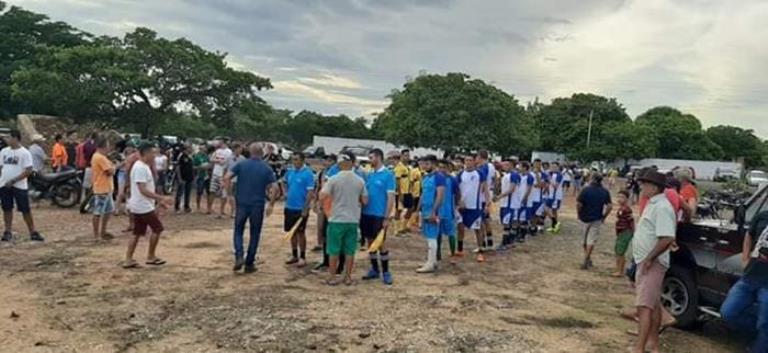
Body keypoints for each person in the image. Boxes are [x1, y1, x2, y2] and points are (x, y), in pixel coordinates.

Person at [631, 170, 676, 353]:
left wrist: (650, 259)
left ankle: (639, 348)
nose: (641, 187)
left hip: (652, 263)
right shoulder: (653, 204)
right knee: (653, 305)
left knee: (644, 307)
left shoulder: (662, 207)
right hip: (647, 260)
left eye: (644, 184)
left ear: (654, 187)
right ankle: (652, 343)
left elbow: (666, 238)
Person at [224, 143, 278, 273]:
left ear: (250, 152)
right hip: (257, 204)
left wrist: (230, 195)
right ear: (261, 153)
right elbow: (275, 187)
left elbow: (227, 177)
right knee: (255, 233)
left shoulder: (242, 164)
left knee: (238, 230)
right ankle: (249, 262)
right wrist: (271, 204)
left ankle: (239, 255)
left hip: (242, 202)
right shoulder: (266, 168)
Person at [720, 209, 768, 353]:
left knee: (765, 324)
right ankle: (761, 334)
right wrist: (745, 258)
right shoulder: (763, 215)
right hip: (750, 276)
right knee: (728, 313)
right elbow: (749, 234)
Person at [319, 152, 368, 286]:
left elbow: (322, 196)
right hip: (352, 220)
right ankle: (348, 277)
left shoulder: (333, 179)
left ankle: (332, 276)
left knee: (334, 249)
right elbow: (365, 200)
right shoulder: (360, 180)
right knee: (349, 250)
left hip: (336, 219)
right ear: (352, 163)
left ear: (340, 164)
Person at [123, 143, 172, 268]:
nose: (154, 156)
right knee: (157, 228)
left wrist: (157, 201)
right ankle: (150, 256)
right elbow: (143, 189)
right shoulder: (140, 168)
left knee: (137, 232)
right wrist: (161, 198)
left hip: (141, 204)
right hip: (142, 206)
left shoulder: (143, 166)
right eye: (153, 153)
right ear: (146, 153)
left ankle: (129, 258)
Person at [0, 130, 44, 242]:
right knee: (7, 208)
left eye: (9, 137)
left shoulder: (24, 153)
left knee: (25, 209)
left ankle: (32, 231)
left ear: (16, 138)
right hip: (4, 184)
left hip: (19, 185)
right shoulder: (4, 152)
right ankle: (7, 231)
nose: (7, 139)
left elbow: (28, 170)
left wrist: (14, 180)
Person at [360, 148, 396, 284]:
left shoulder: (388, 175)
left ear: (379, 157)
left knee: (381, 243)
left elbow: (390, 197)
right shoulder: (369, 175)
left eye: (371, 158)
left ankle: (386, 271)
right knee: (370, 242)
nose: (370, 161)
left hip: (379, 215)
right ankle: (374, 269)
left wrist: (386, 217)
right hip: (366, 214)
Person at [282, 152, 315, 267]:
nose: (294, 162)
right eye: (293, 160)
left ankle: (303, 256)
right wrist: (285, 192)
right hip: (289, 207)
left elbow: (310, 192)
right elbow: (283, 182)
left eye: (296, 159)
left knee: (301, 232)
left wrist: (305, 208)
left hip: (300, 208)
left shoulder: (308, 174)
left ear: (302, 160)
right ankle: (294, 255)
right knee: (291, 233)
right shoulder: (290, 171)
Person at [456, 155, 491, 263]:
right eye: (467, 160)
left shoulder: (479, 173)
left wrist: (487, 203)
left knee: (478, 229)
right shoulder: (460, 174)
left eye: (471, 160)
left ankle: (480, 251)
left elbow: (485, 188)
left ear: (474, 162)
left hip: (475, 206)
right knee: (460, 228)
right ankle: (460, 249)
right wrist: (458, 201)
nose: (469, 162)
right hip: (463, 206)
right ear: (464, 162)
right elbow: (456, 189)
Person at [414, 155, 445, 273]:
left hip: (433, 211)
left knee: (432, 237)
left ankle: (431, 263)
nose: (425, 166)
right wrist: (417, 210)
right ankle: (431, 260)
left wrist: (434, 211)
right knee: (428, 237)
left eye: (427, 164)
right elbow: (423, 194)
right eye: (424, 164)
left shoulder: (439, 177)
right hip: (425, 210)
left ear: (433, 164)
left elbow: (440, 195)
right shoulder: (426, 177)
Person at [576, 173, 612, 270]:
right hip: (597, 218)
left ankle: (587, 258)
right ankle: (587, 258)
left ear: (592, 179)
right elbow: (609, 206)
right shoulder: (604, 191)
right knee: (591, 240)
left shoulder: (586, 190)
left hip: (585, 218)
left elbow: (579, 204)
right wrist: (604, 216)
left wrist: (578, 214)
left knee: (584, 241)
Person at [90, 136, 115, 240]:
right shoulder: (100, 157)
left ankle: (102, 232)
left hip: (106, 188)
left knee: (108, 210)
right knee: (98, 212)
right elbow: (110, 171)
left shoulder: (99, 157)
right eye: (108, 145)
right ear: (103, 146)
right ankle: (97, 235)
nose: (109, 148)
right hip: (102, 188)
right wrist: (114, 167)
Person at [436, 159, 460, 261]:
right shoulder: (434, 179)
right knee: (437, 233)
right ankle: (437, 254)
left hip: (448, 210)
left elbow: (457, 193)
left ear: (448, 168)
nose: (441, 170)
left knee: (451, 233)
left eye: (444, 168)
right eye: (440, 167)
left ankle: (453, 253)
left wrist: (456, 205)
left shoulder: (452, 179)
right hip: (437, 210)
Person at [493, 159, 519, 251]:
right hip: (505, 203)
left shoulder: (514, 175)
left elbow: (511, 189)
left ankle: (504, 243)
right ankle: (510, 242)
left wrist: (499, 196)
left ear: (511, 165)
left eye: (505, 165)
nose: (503, 166)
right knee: (509, 223)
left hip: (510, 203)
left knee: (507, 224)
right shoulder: (506, 175)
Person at [475, 150, 496, 249]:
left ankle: (482, 243)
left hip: (483, 196)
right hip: (489, 193)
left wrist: (479, 192)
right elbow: (495, 179)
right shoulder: (492, 166)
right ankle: (490, 242)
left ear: (480, 157)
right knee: (486, 219)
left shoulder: (484, 167)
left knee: (482, 220)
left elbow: (483, 182)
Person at [208, 140, 233, 217]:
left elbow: (228, 161)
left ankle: (222, 210)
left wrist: (222, 162)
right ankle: (209, 208)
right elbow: (211, 159)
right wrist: (217, 160)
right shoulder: (217, 151)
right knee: (212, 191)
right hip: (215, 173)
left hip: (223, 174)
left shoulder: (229, 152)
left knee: (223, 193)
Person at [614, 190, 634, 277]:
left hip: (625, 231)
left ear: (627, 198)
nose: (619, 199)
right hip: (621, 231)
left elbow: (631, 221)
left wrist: (632, 231)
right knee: (618, 250)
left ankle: (620, 271)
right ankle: (619, 269)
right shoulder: (622, 208)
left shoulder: (626, 209)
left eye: (622, 197)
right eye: (618, 197)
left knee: (620, 251)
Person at [394, 149, 412, 236]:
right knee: (398, 210)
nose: (407, 157)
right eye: (405, 155)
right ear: (401, 156)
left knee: (410, 208)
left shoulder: (408, 167)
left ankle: (403, 227)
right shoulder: (399, 167)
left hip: (408, 191)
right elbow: (397, 180)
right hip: (401, 192)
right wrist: (400, 193)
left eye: (408, 155)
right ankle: (396, 230)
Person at [174, 144, 194, 214]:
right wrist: (179, 178)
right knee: (180, 193)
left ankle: (186, 207)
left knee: (187, 193)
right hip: (183, 177)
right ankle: (177, 207)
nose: (191, 149)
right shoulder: (181, 156)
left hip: (189, 178)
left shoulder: (190, 157)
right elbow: (178, 167)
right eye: (190, 148)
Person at [545, 162, 564, 234]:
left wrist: (550, 180)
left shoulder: (559, 175)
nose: (553, 168)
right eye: (552, 167)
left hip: (555, 196)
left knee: (550, 210)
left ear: (558, 167)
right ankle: (554, 225)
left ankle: (555, 223)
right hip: (551, 195)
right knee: (552, 210)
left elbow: (555, 186)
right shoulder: (551, 174)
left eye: (555, 167)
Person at [193, 144, 212, 212]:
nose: (204, 149)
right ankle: (198, 206)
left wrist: (209, 166)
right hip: (200, 176)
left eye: (205, 148)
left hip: (207, 176)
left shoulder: (206, 156)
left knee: (209, 192)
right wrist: (200, 167)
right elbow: (193, 166)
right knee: (199, 191)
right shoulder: (197, 157)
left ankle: (208, 207)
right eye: (203, 148)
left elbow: (210, 164)